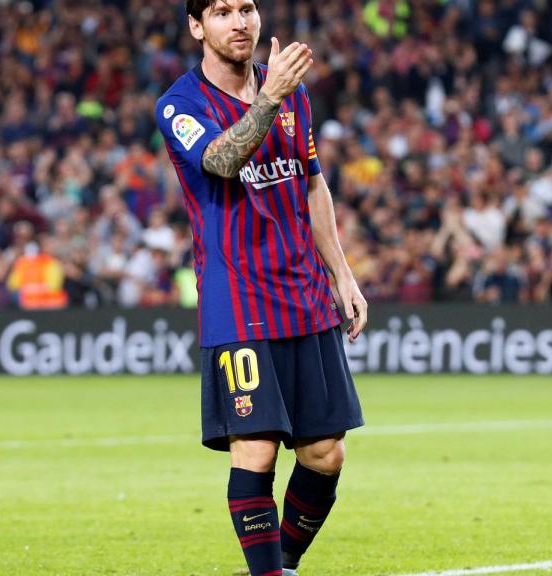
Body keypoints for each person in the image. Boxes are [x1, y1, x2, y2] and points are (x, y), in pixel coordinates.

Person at [155, 2, 368, 575]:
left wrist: (341, 274)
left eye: (246, 7)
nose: (240, 21)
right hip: (238, 300)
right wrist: (269, 96)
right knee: (257, 450)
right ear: (198, 27)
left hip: (303, 295)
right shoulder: (181, 104)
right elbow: (223, 160)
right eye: (221, 11)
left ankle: (286, 565)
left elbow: (312, 185)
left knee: (326, 454)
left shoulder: (290, 94)